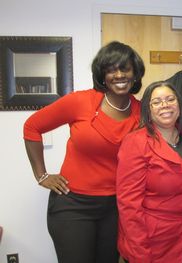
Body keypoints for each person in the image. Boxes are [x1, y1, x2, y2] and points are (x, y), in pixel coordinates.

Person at [23, 41, 145, 263]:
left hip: (117, 207)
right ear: (102, 74)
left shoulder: (142, 111)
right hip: (73, 205)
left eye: (125, 68)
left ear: (135, 73)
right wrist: (41, 175)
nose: (119, 75)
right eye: (111, 69)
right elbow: (32, 127)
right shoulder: (81, 101)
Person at [116, 81, 182, 263]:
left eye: (170, 99)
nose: (165, 105)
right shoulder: (136, 142)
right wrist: (140, 252)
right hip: (151, 241)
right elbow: (129, 205)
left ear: (179, 105)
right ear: (148, 111)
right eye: (156, 102)